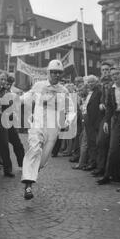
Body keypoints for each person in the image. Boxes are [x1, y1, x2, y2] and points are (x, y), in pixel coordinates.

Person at [20, 60, 76, 200]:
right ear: (48, 73)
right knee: (34, 150)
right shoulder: (39, 85)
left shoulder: (63, 90)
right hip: (37, 124)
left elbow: (71, 109)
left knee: (43, 159)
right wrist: (16, 100)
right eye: (53, 72)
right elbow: (27, 96)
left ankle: (31, 174)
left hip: (53, 129)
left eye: (59, 73)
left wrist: (67, 121)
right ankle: (28, 186)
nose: (56, 75)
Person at [97, 66, 120, 185]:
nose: (115, 76)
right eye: (113, 75)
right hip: (116, 117)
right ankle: (108, 175)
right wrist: (106, 121)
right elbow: (109, 107)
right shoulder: (111, 89)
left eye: (117, 73)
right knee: (113, 147)